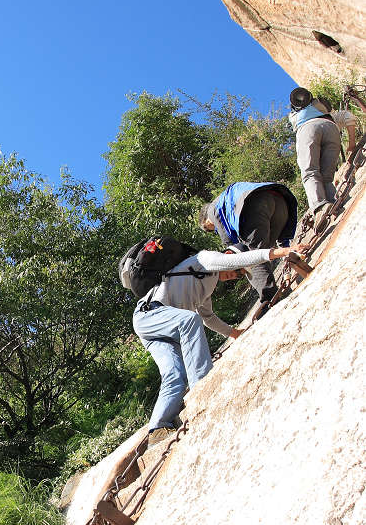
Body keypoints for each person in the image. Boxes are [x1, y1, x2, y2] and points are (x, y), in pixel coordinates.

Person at [133, 242, 308, 447]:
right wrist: (284, 251)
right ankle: (201, 389)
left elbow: (208, 317)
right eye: (238, 270)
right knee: (189, 320)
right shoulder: (205, 258)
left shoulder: (207, 285)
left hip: (152, 327)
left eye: (240, 275)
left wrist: (235, 334)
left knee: (175, 374)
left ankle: (157, 428)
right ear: (228, 256)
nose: (236, 275)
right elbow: (242, 258)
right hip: (149, 314)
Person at [198, 181, 297, 304]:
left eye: (212, 228)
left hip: (253, 207)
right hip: (279, 200)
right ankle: (295, 262)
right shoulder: (226, 198)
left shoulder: (212, 210)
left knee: (253, 256)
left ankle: (270, 298)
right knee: (265, 249)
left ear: (207, 221)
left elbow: (230, 243)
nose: (216, 230)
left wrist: (238, 261)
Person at [288, 87, 357, 233]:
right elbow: (349, 117)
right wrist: (352, 145)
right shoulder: (328, 115)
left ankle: (320, 207)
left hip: (307, 129)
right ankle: (333, 204)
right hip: (331, 129)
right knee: (327, 177)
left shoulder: (296, 116)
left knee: (310, 172)